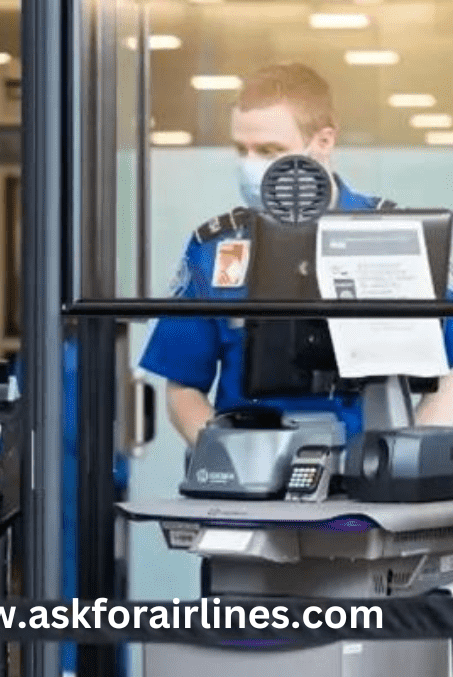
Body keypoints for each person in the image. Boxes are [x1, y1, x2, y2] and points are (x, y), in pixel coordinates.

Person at [139, 62, 453, 448]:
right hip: (250, 476)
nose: (252, 164)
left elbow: (449, 375)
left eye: (270, 150)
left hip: (368, 482)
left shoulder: (397, 237)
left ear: (323, 141)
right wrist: (226, 461)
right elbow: (183, 386)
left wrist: (405, 458)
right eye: (242, 150)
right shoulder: (215, 249)